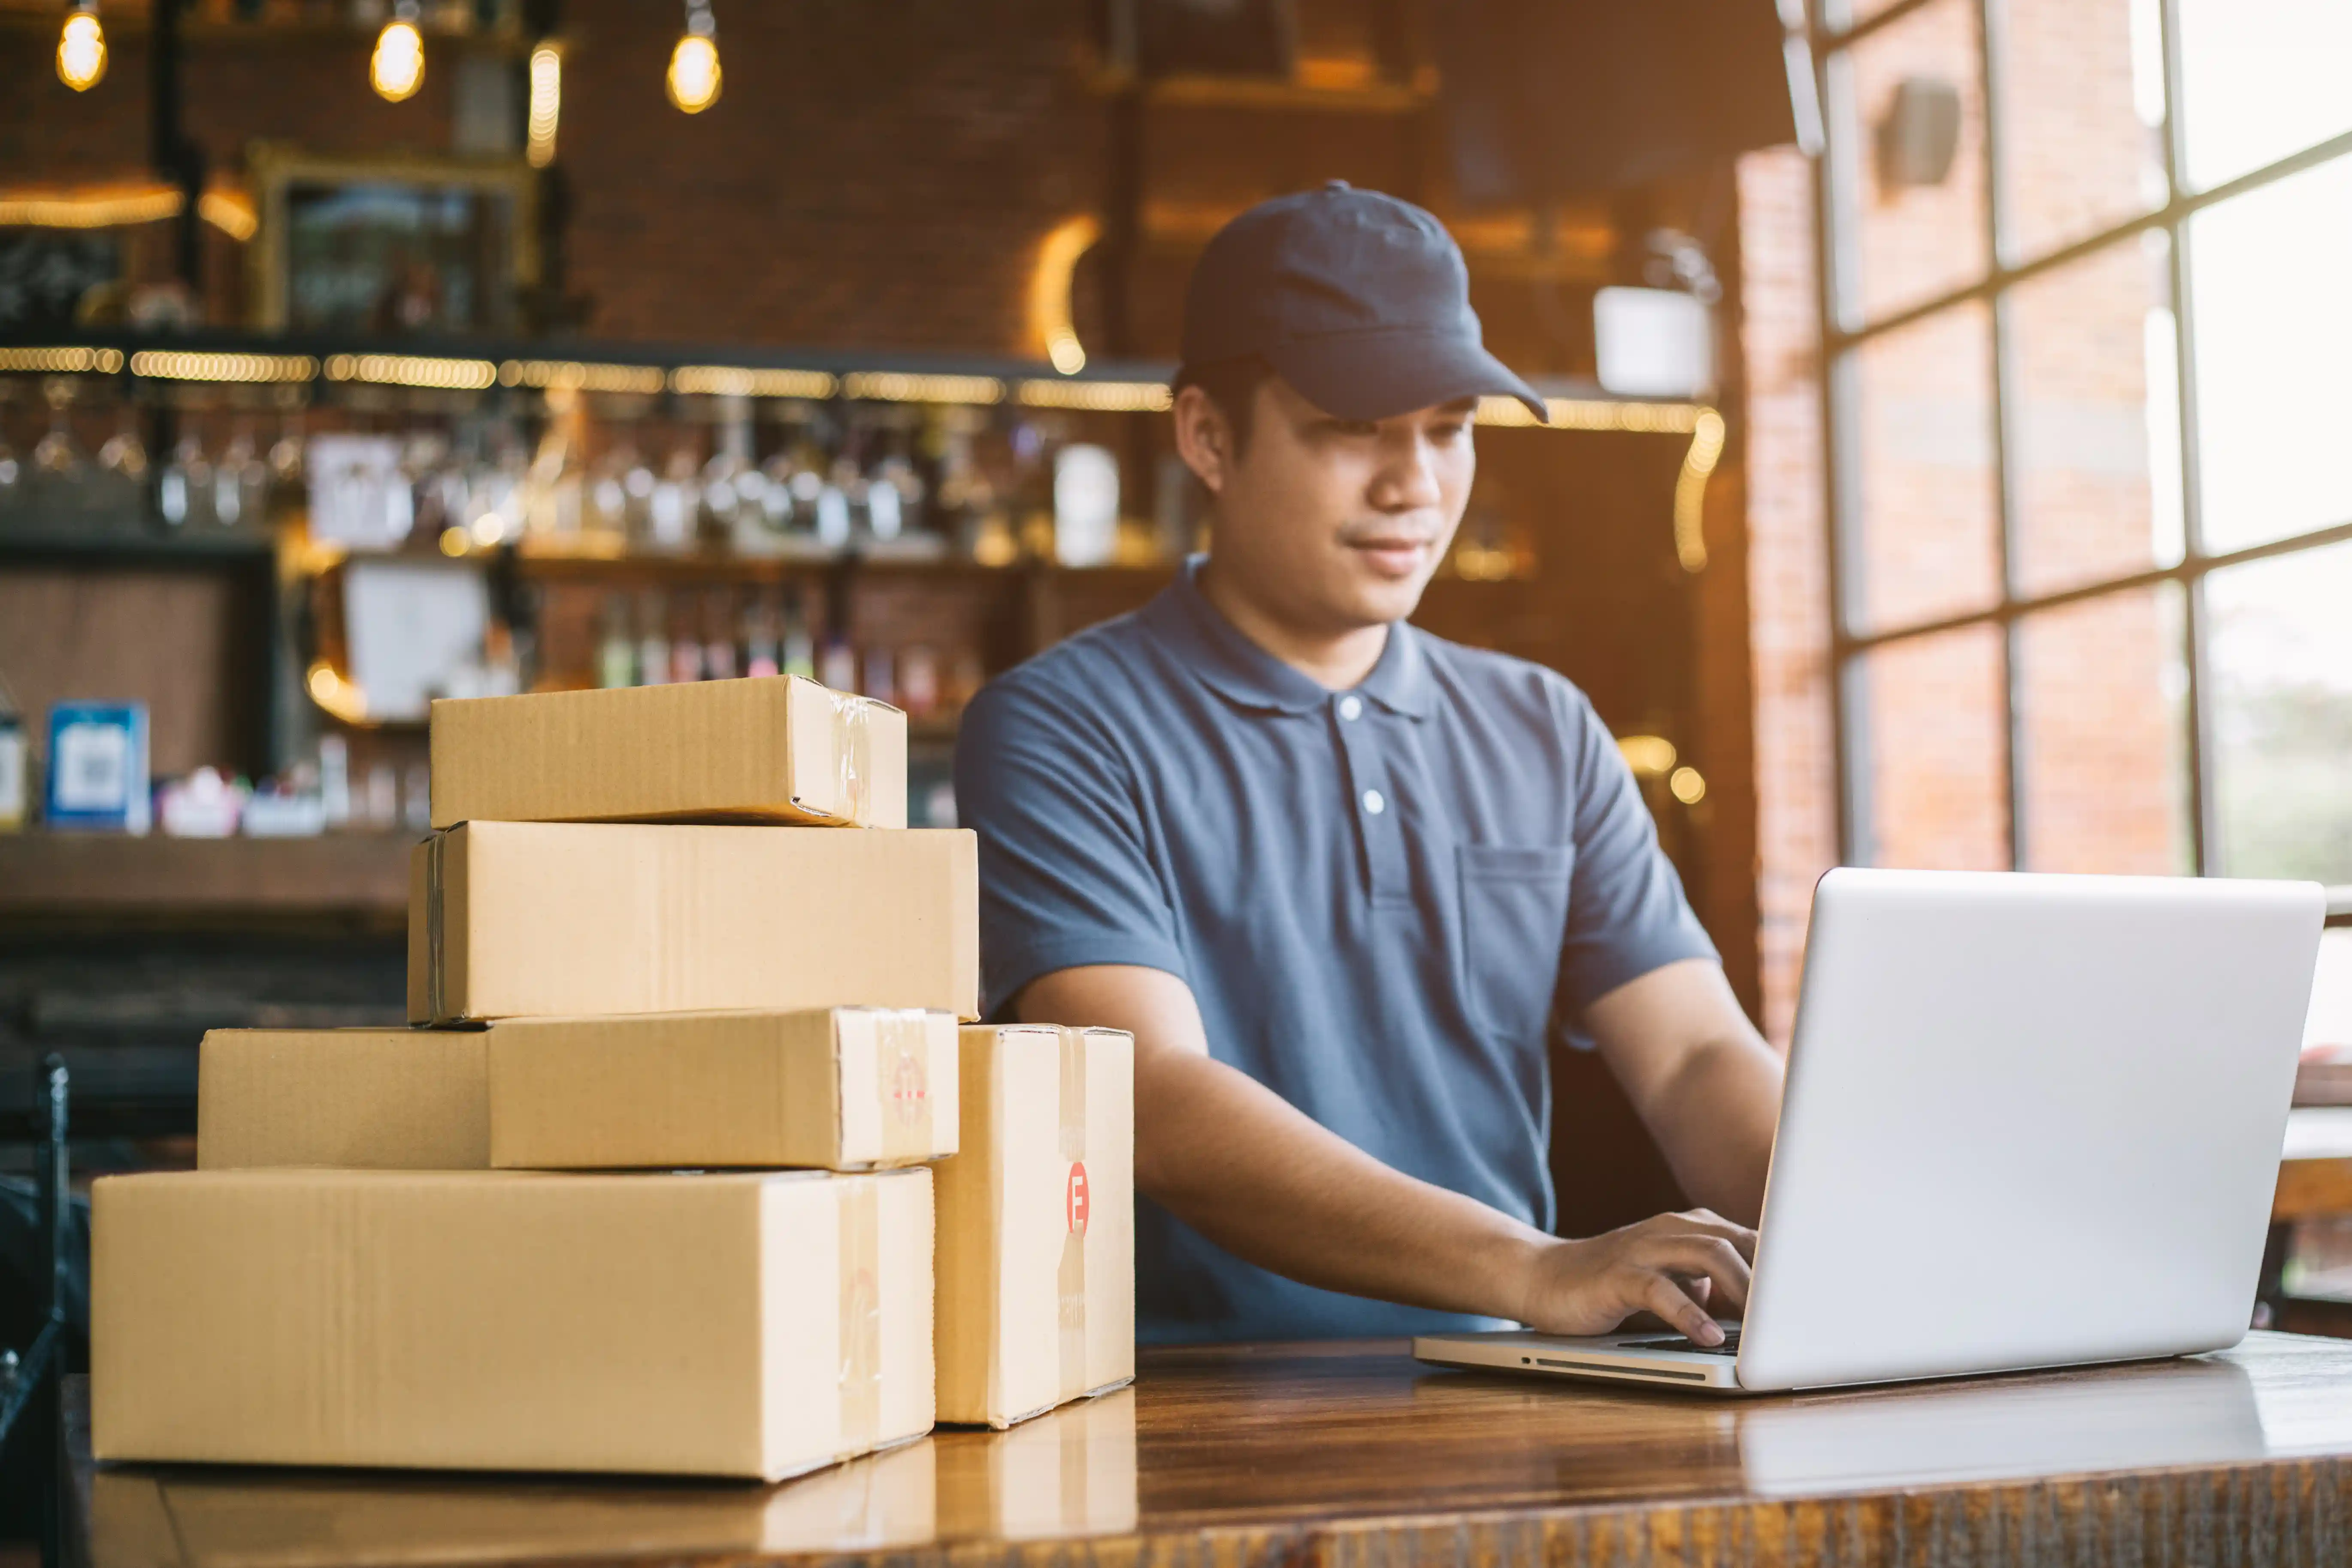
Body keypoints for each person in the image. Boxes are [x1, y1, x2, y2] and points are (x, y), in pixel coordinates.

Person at [954, 182, 1783, 1348]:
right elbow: (1150, 1097)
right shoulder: (1061, 727)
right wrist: (1536, 1268)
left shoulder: (1545, 727)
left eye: (1448, 428)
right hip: (1184, 1424)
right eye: (1352, 427)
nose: (1415, 484)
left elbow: (1697, 1053)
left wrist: (1854, 1225)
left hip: (1503, 1397)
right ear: (1207, 436)